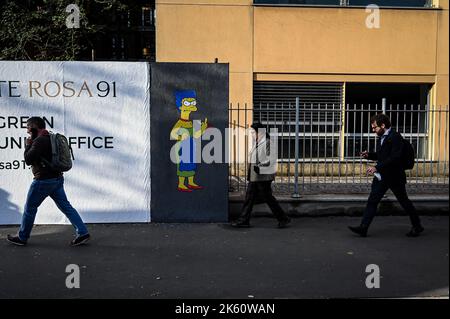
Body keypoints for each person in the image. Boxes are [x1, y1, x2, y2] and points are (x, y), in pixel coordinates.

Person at [7, 117, 90, 246]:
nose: (27, 131)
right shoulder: (51, 138)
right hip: (57, 179)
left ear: (35, 127)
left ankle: (22, 238)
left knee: (30, 208)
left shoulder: (39, 141)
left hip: (42, 181)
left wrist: (28, 145)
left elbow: (28, 159)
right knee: (66, 207)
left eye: (28, 128)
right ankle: (83, 232)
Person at [349, 113, 424, 237]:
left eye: (375, 127)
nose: (373, 130)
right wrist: (370, 155)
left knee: (404, 202)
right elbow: (382, 156)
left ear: (383, 125)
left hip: (395, 177)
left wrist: (376, 167)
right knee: (372, 201)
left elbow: (395, 157)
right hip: (382, 176)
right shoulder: (382, 137)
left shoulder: (395, 137)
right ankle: (363, 228)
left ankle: (417, 226)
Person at [231, 122, 291, 228]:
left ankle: (283, 218)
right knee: (250, 198)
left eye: (254, 132)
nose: (252, 135)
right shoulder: (258, 142)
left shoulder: (268, 142)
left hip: (263, 176)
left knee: (267, 198)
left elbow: (271, 158)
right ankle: (244, 220)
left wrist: (260, 165)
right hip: (256, 176)